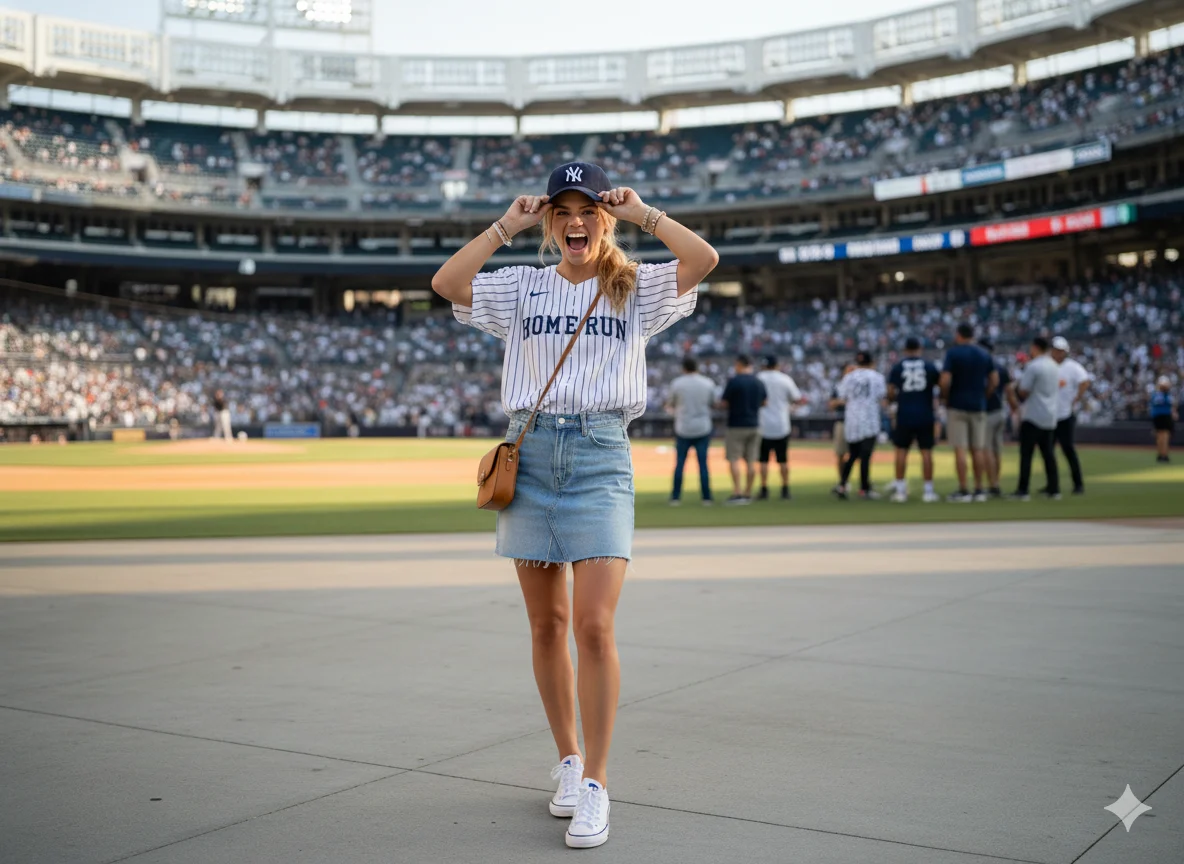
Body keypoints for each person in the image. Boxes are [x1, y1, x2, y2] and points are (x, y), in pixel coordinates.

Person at [432, 160, 718, 849]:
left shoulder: (634, 286)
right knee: (546, 625)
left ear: (604, 221)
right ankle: (566, 760)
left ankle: (596, 781)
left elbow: (703, 259)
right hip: (529, 456)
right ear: (551, 224)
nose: (575, 222)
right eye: (562, 212)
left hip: (600, 455)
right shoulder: (522, 286)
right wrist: (507, 225)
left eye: (588, 211)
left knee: (592, 626)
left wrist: (644, 212)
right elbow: (447, 283)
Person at [940, 323, 998, 503]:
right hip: (978, 405)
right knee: (978, 449)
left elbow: (945, 380)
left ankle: (964, 489)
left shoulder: (953, 353)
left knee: (960, 449)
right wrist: (984, 395)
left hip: (957, 405)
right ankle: (979, 489)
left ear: (959, 335)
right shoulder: (984, 353)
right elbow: (994, 380)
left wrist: (946, 397)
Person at [887, 337, 940, 503]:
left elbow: (890, 391)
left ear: (905, 349)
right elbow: (940, 385)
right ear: (919, 348)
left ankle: (900, 491)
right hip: (925, 413)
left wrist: (895, 400)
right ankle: (928, 491)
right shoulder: (929, 366)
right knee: (926, 452)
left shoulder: (898, 367)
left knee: (901, 452)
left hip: (904, 414)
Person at [1006, 336, 1060, 501]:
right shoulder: (1054, 365)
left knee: (1026, 454)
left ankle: (1023, 490)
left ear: (1035, 347)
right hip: (1050, 415)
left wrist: (1014, 387)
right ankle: (1054, 488)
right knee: (1048, 454)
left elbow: (1024, 391)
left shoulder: (1034, 365)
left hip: (1033, 414)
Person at [834, 350, 887, 500]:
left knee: (853, 455)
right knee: (865, 456)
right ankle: (864, 488)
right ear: (871, 362)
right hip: (869, 420)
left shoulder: (848, 377)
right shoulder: (877, 377)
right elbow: (882, 397)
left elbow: (842, 397)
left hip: (852, 420)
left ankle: (842, 485)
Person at [667, 356, 717, 505]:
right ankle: (706, 497)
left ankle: (675, 497)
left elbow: (671, 404)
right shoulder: (708, 383)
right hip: (702, 427)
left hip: (683, 427)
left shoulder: (677, 383)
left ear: (684, 368)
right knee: (703, 464)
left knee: (680, 464)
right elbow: (713, 403)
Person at [756, 356, 806, 500]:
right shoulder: (785, 379)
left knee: (763, 460)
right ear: (777, 365)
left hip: (763, 424)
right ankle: (785, 489)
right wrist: (789, 406)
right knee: (783, 460)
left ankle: (764, 489)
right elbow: (797, 399)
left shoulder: (759, 378)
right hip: (781, 424)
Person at [720, 354, 767, 505]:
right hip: (754, 424)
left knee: (734, 459)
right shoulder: (758, 382)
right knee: (751, 461)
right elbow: (765, 402)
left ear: (739, 364)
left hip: (736, 425)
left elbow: (724, 403)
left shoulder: (734, 381)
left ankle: (737, 492)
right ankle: (748, 492)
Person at [1050, 336, 1091, 495]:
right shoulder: (1048, 365)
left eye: (1060, 351)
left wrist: (1077, 397)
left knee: (1068, 449)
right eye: (1056, 350)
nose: (1058, 353)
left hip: (1065, 414)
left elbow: (1085, 381)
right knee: (1048, 452)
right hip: (1049, 415)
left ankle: (1078, 483)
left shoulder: (1072, 367)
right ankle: (1052, 484)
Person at [979, 338, 1010, 498]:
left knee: (987, 450)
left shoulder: (983, 367)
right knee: (997, 450)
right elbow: (1009, 390)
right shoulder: (1001, 367)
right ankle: (996, 482)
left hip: (988, 412)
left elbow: (990, 386)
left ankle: (993, 485)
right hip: (1000, 411)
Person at [828, 363, 855, 484]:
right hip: (842, 421)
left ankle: (863, 483)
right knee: (840, 453)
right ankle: (843, 482)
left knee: (859, 454)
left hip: (857, 422)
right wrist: (843, 401)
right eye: (849, 370)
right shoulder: (839, 386)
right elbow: (831, 404)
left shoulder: (860, 385)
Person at [1151, 375, 1177, 463]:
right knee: (1164, 435)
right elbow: (1170, 404)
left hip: (1157, 416)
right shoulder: (1164, 395)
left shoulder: (1156, 394)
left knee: (1160, 435)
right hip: (1164, 416)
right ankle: (1164, 455)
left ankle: (1160, 454)